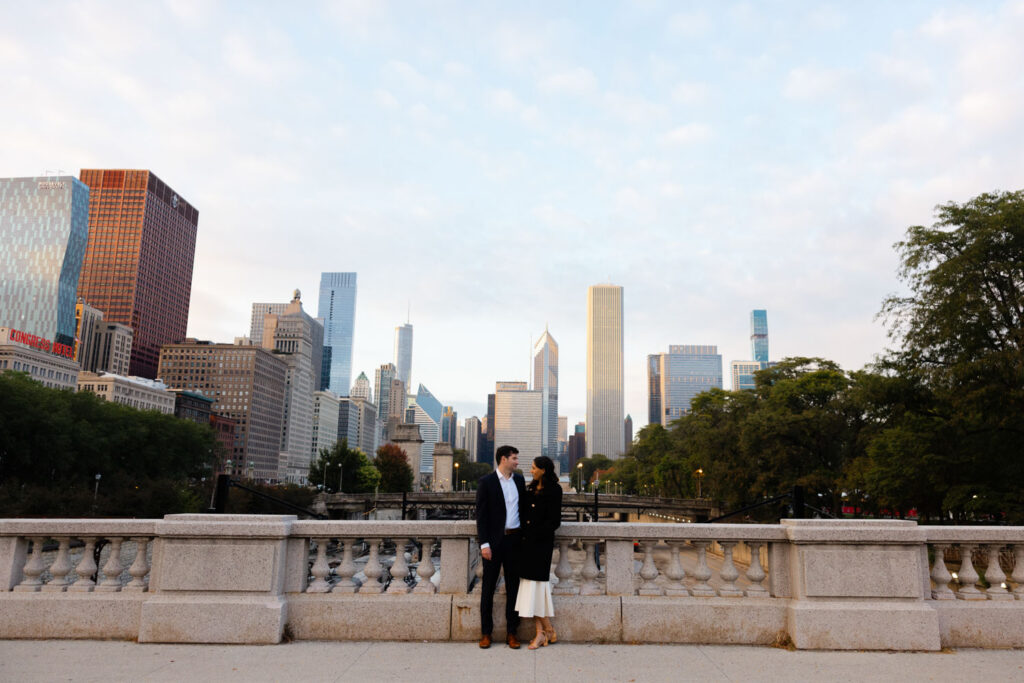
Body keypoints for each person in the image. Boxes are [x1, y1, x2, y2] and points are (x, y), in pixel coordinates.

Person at [475, 444, 526, 649]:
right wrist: (484, 544)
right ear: (503, 459)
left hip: (514, 541)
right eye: (514, 458)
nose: (517, 462)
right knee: (487, 588)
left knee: (514, 588)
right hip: (493, 544)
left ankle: (512, 633)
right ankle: (486, 633)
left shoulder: (520, 481)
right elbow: (481, 516)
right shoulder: (486, 482)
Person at [514, 455, 562, 649]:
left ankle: (546, 631)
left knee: (537, 589)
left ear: (543, 469)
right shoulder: (530, 488)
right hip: (526, 545)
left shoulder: (555, 490)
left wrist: (534, 533)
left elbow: (554, 521)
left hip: (541, 546)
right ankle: (543, 633)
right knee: (530, 589)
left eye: (534, 468)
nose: (531, 470)